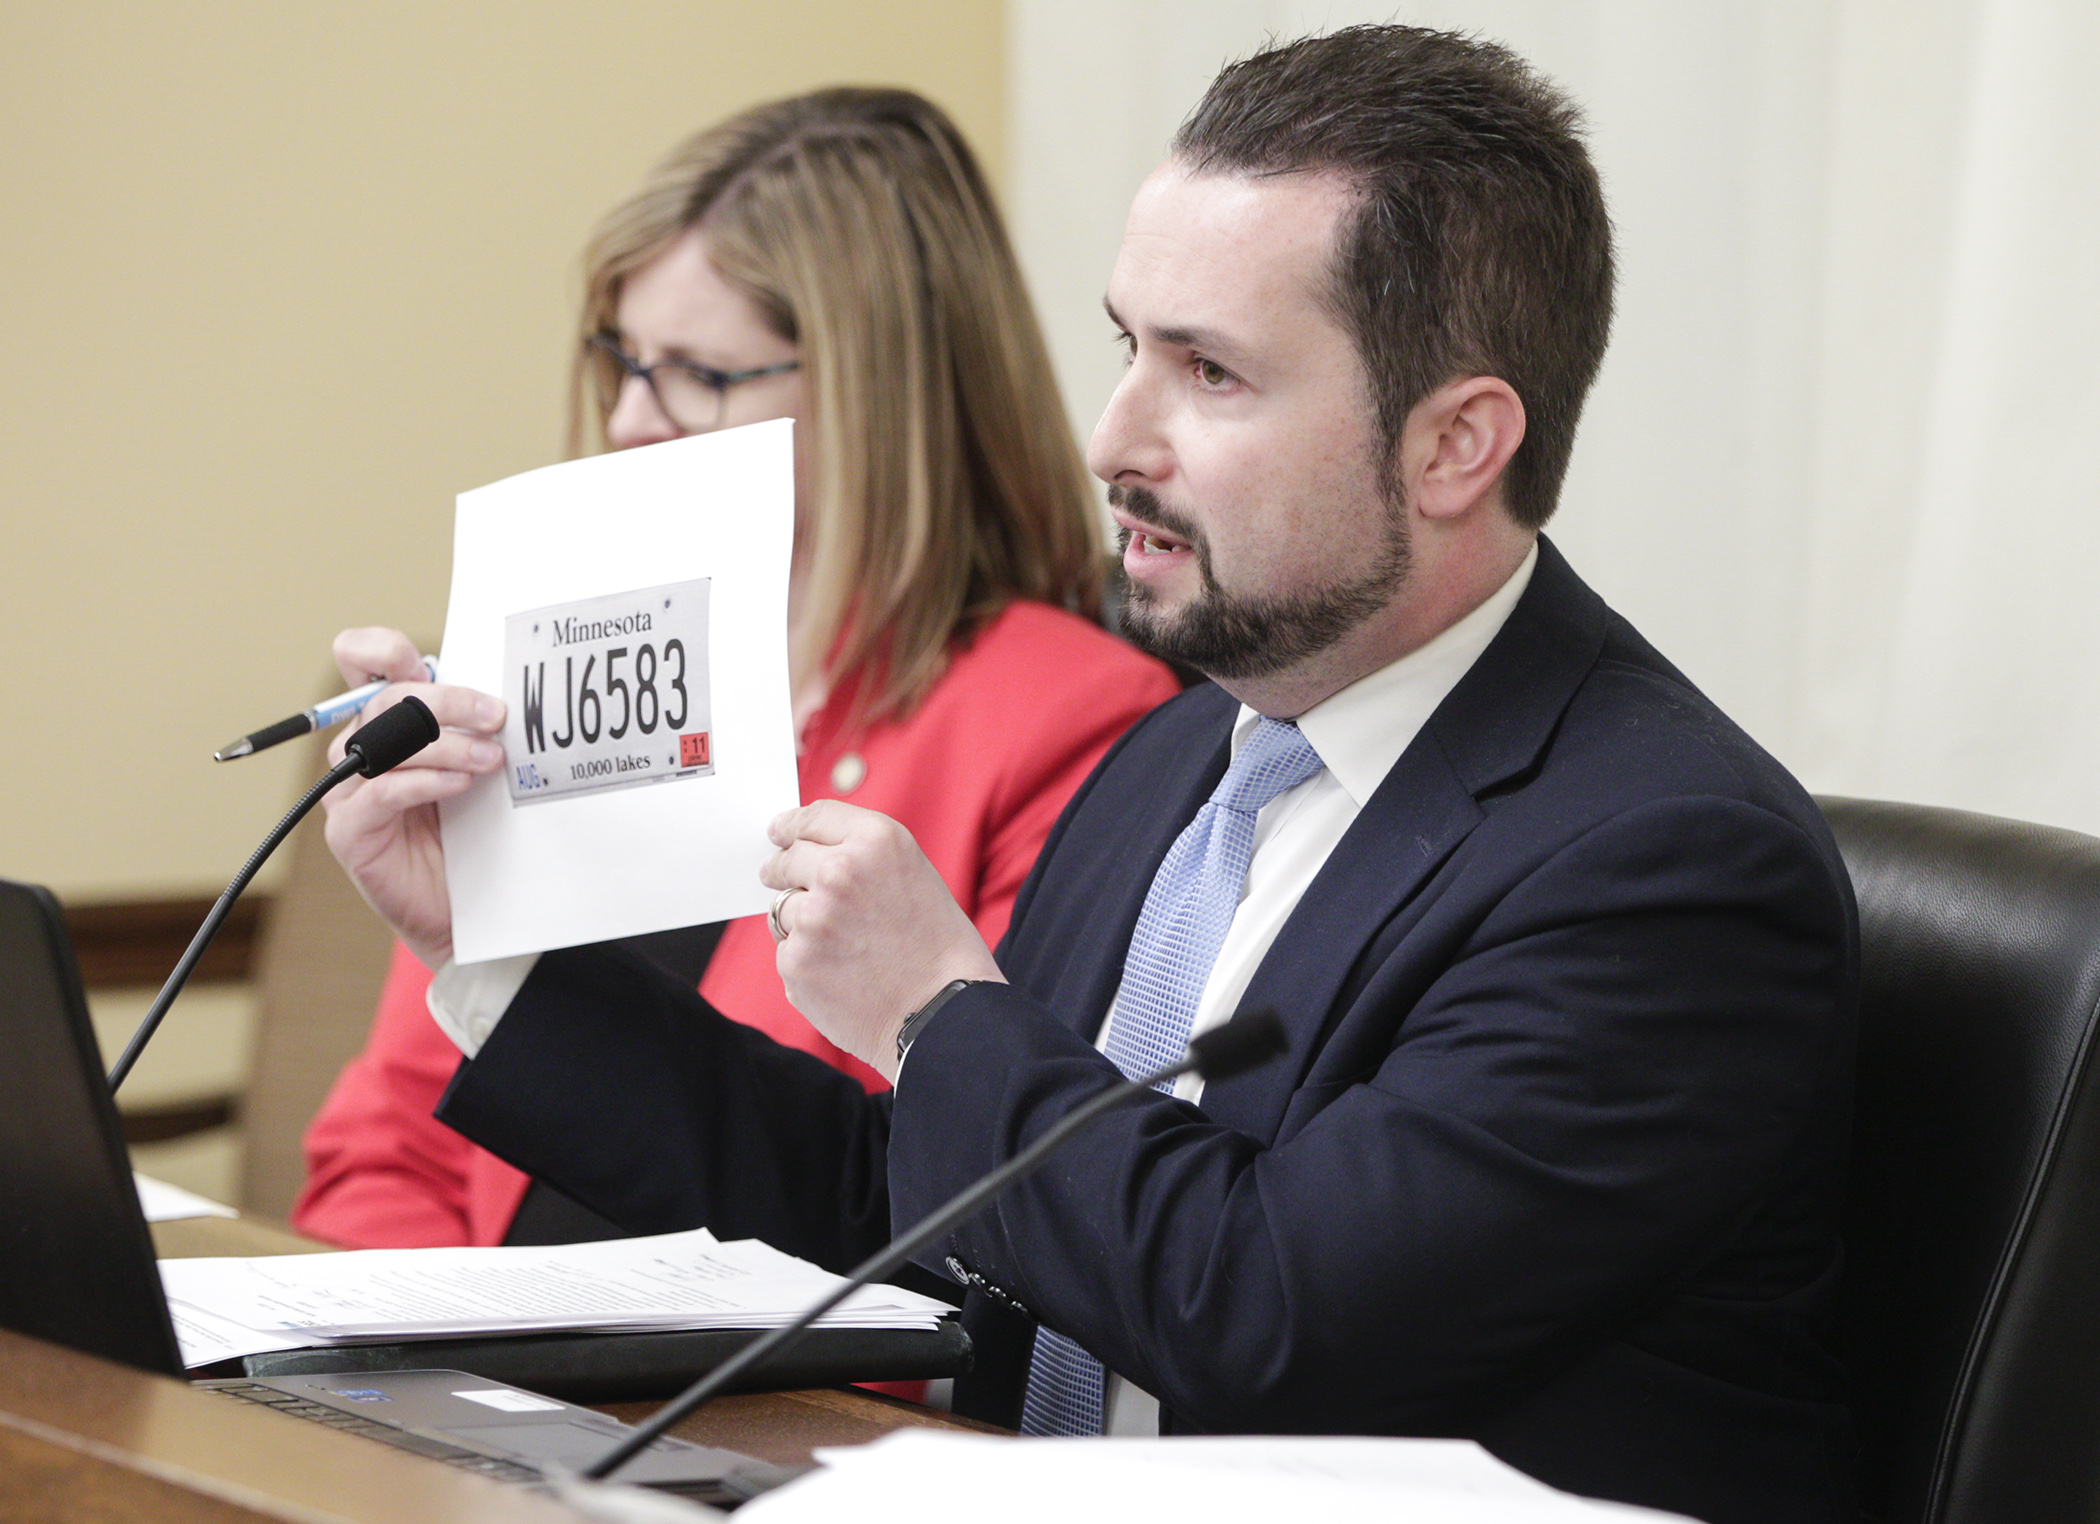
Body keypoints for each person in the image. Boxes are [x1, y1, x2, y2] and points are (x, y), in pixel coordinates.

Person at [325, 29, 1859, 1524]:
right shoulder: (1183, 755)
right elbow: (928, 1224)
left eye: (1212, 373)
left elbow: (1276, 1312)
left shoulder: (1665, 864)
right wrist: (493, 942)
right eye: (1129, 346)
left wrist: (936, 1018)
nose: (1117, 435)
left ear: (1455, 444)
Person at [296, 87, 1181, 1250]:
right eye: (620, 358)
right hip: (476, 1393)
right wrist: (404, 1375)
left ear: (876, 393)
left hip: (772, 1401)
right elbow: (386, 1146)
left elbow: (938, 1198)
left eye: (695, 375)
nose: (624, 419)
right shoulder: (571, 663)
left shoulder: (1072, 716)